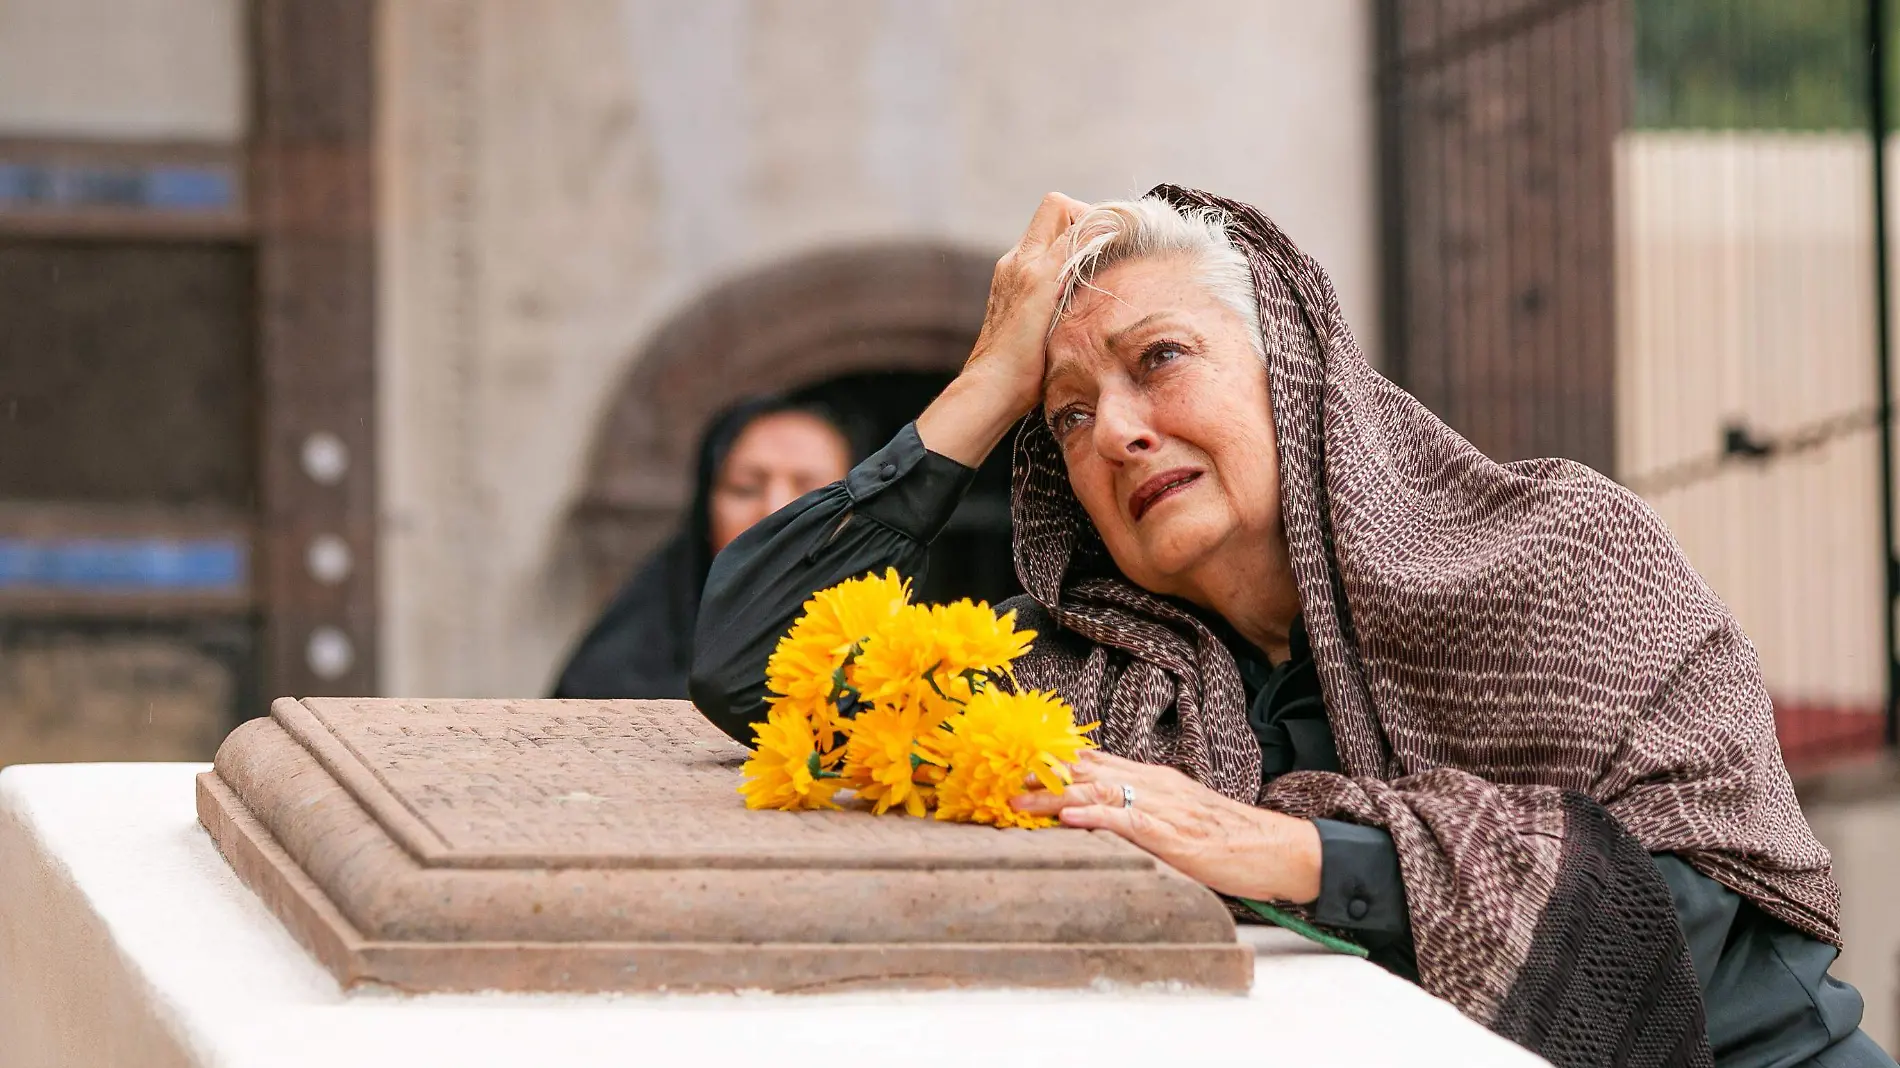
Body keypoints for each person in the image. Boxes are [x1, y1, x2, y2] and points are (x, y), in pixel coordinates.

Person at [689, 188, 1895, 1067]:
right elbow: (750, 670)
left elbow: (1693, 910)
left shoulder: (1550, 549)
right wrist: (989, 383)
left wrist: (1291, 855)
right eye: (1064, 419)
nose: (1113, 432)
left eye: (1158, 360)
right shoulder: (1069, 681)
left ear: (1295, 369)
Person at [551, 396, 853, 700]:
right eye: (745, 488)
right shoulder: (618, 671)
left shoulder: (888, 653)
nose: (775, 509)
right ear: (704, 510)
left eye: (811, 490)